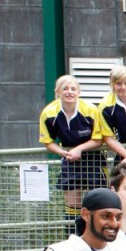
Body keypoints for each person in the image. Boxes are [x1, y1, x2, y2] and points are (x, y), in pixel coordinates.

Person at [40, 75, 105, 209]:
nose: (69, 92)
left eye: (73, 89)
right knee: (72, 206)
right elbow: (48, 142)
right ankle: (72, 224)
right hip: (69, 159)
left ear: (79, 92)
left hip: (94, 158)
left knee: (99, 203)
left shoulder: (90, 110)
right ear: (57, 92)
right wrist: (64, 153)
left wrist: (79, 149)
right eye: (65, 89)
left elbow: (99, 139)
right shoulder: (48, 113)